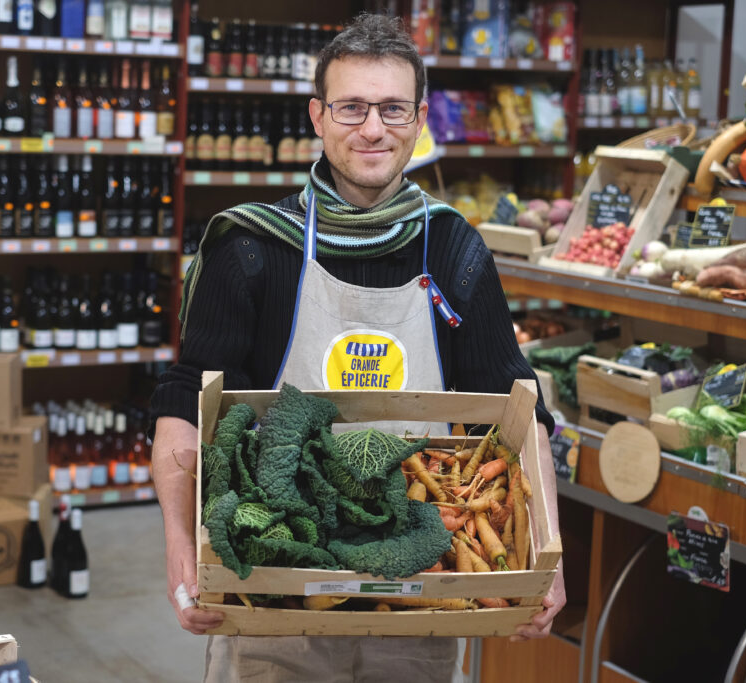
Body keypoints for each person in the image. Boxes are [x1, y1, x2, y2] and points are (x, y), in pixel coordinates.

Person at [150, 12, 566, 681]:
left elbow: (521, 408)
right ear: (318, 116)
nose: (373, 128)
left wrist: (550, 556)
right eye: (351, 107)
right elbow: (184, 397)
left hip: (417, 589)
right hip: (279, 592)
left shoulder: (454, 249)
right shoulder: (251, 247)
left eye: (393, 108)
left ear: (420, 117)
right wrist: (180, 548)